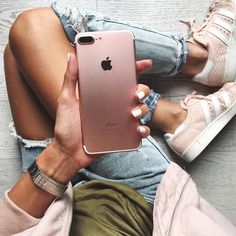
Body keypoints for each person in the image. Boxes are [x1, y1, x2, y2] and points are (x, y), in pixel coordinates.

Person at [0, 0, 236, 235]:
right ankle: (199, 60)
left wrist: (62, 156)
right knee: (33, 27)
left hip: (49, 212)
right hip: (143, 207)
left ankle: (175, 114)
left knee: (17, 53)